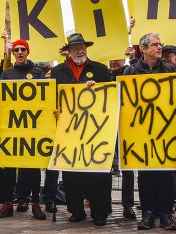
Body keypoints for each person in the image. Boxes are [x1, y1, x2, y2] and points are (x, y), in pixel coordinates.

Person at [49, 33, 112, 226]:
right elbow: (51, 97)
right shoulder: (57, 72)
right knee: (70, 173)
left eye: (83, 47)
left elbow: (110, 95)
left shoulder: (101, 70)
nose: (80, 51)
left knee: (97, 173)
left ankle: (99, 212)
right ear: (68, 51)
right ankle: (75, 210)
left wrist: (97, 89)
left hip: (94, 131)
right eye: (76, 48)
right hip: (68, 130)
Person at [123, 33, 176, 231]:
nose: (159, 47)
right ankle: (147, 213)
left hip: (164, 131)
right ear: (143, 49)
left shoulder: (170, 69)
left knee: (166, 173)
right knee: (145, 174)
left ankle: (166, 213)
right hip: (141, 131)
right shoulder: (131, 71)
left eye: (160, 44)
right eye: (154, 44)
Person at [0, 39, 46, 221]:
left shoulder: (38, 72)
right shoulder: (7, 74)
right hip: (11, 128)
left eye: (23, 49)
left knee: (32, 167)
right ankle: (8, 203)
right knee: (9, 167)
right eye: (17, 50)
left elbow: (43, 99)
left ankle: (36, 203)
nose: (20, 52)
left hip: (31, 128)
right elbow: (0, 98)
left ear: (28, 52)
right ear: (13, 53)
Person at [107, 57, 136, 220]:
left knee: (127, 168)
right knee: (104, 167)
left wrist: (132, 57)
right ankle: (106, 202)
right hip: (107, 125)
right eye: (110, 59)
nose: (112, 61)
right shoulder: (104, 74)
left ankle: (128, 205)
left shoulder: (129, 71)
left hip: (125, 126)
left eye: (116, 57)